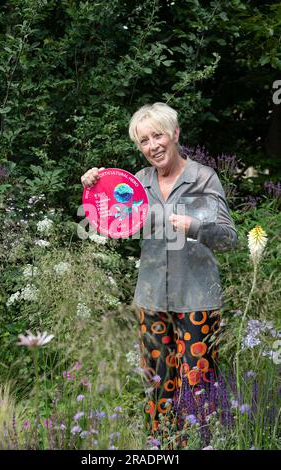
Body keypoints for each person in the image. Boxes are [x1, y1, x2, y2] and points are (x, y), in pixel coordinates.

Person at [81, 102, 237, 446]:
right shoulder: (137, 183)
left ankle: (200, 442)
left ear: (175, 134)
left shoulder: (203, 178)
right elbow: (111, 223)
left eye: (158, 135)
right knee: (157, 383)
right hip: (151, 300)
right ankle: (161, 448)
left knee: (196, 383)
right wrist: (94, 185)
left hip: (197, 300)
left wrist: (195, 226)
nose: (152, 145)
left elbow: (229, 238)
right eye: (144, 140)